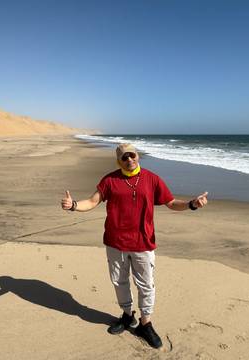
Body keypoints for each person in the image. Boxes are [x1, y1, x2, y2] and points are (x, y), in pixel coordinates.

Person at [60, 143, 208, 349]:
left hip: (143, 243)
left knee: (146, 284)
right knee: (119, 282)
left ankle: (145, 323)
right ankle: (127, 316)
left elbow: (172, 203)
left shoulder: (152, 179)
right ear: (118, 161)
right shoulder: (110, 180)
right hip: (115, 242)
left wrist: (192, 204)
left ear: (138, 156)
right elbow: (93, 202)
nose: (129, 160)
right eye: (124, 157)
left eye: (132, 155)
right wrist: (74, 205)